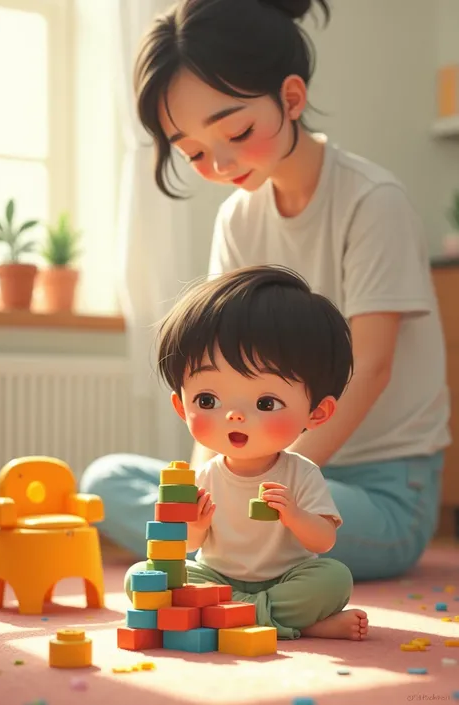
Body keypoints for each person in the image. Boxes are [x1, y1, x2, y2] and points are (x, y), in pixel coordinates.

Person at [80, 0, 450, 581]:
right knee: (105, 480)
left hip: (379, 489)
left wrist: (267, 482)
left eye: (237, 132)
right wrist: (209, 488)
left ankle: (227, 560)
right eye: (195, 152)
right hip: (257, 468)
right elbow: (214, 373)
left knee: (260, 519)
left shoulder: (371, 202)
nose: (221, 163)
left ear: (292, 98)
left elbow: (371, 369)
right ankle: (236, 559)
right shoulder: (237, 220)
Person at [124, 265, 369, 640]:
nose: (235, 415)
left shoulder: (299, 473)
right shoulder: (203, 475)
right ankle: (289, 621)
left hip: (287, 577)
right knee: (142, 577)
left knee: (334, 579)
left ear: (317, 413)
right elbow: (188, 547)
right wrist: (197, 526)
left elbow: (323, 541)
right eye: (208, 399)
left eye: (266, 402)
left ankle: (226, 615)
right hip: (215, 577)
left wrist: (294, 515)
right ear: (181, 406)